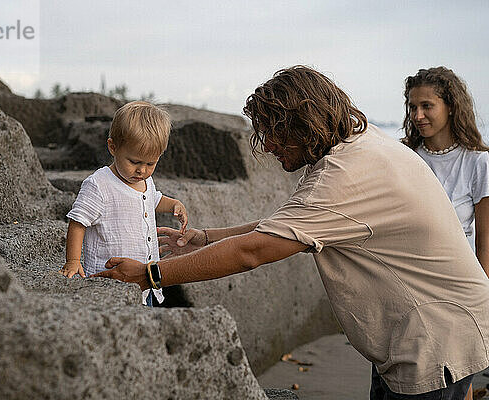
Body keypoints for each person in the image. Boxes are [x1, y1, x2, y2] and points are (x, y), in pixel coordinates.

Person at [92, 66, 489, 399]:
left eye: (272, 132)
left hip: (436, 338)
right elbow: (290, 226)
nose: (266, 145)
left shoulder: (344, 176)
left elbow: (256, 250)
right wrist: (206, 238)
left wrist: (149, 274)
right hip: (425, 330)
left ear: (300, 125)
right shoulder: (360, 146)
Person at [59, 101, 188, 306]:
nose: (142, 171)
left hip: (146, 280)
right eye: (134, 162)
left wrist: (173, 204)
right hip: (109, 281)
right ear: (113, 147)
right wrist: (73, 261)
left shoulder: (145, 182)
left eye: (150, 164)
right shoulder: (99, 185)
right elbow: (77, 223)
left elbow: (154, 200)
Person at [402, 66, 489, 277]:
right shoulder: (403, 157)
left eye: (427, 106)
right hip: (408, 275)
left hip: (458, 277)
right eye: (413, 107)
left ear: (451, 106)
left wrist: (483, 296)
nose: (418, 115)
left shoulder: (478, 162)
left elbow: (485, 242)